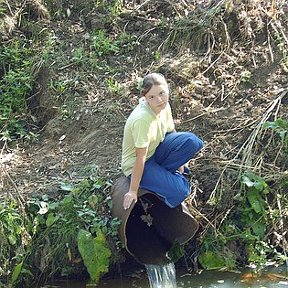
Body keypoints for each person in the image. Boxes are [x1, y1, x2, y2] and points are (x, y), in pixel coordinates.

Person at [121, 73, 204, 210]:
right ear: (145, 98)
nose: (159, 100)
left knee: (193, 142)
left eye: (162, 93)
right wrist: (133, 191)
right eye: (151, 97)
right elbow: (140, 157)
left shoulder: (164, 106)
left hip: (156, 151)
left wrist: (181, 161)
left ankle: (164, 177)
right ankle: (161, 190)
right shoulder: (142, 119)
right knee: (181, 191)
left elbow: (171, 132)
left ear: (167, 89)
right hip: (140, 164)